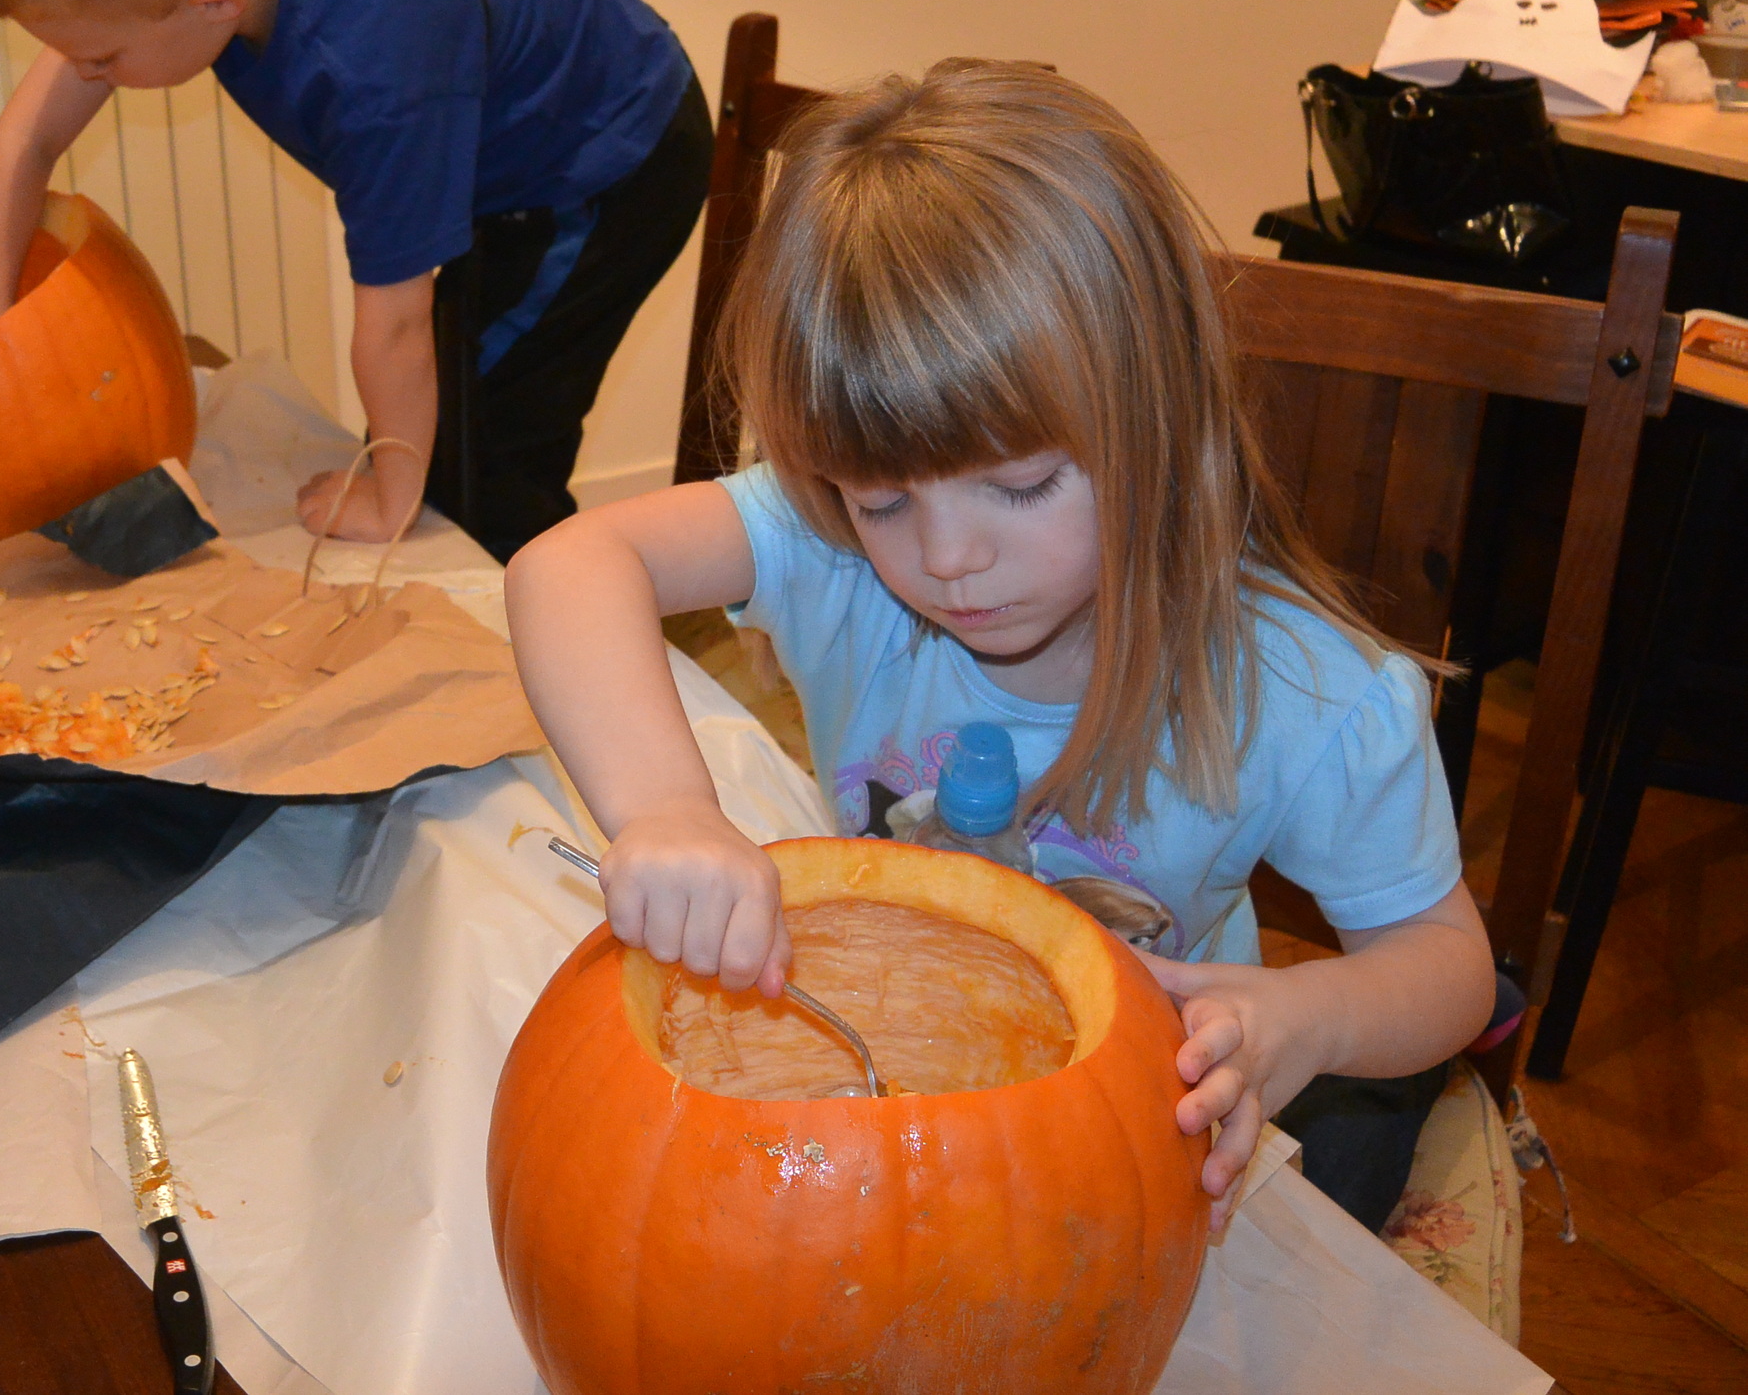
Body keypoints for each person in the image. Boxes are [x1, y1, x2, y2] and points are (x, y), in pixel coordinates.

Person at [504, 61, 1496, 1233]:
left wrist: (1314, 1015)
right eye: (880, 502)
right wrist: (666, 808)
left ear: (1159, 416)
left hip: (1121, 1138)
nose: (946, 557)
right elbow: (562, 568)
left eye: (1020, 486)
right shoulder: (831, 545)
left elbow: (1445, 964)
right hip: (878, 1068)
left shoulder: (1307, 692)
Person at [0, 0, 711, 561]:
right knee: (445, 425)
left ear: (212, 5)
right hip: (499, 124)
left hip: (612, 157)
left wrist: (391, 497)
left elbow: (393, 326)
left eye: (103, 57)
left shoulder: (372, 72)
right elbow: (22, 146)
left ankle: (556, 633)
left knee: (486, 453)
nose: (85, 72)